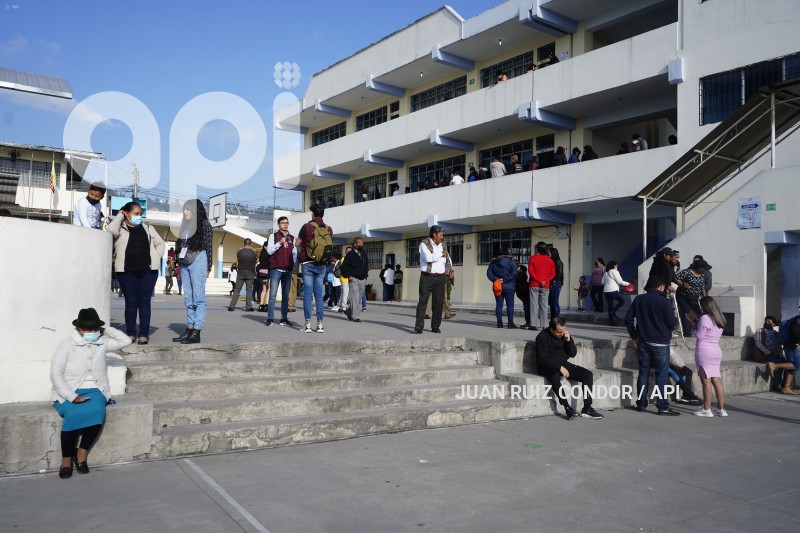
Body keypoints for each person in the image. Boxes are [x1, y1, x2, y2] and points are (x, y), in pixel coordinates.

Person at [50, 308, 132, 479]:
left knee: (97, 412)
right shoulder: (66, 344)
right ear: (79, 329)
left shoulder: (102, 342)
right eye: (87, 329)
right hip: (68, 390)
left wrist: (105, 329)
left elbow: (125, 340)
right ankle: (66, 459)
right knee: (72, 414)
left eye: (94, 329)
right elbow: (55, 374)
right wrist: (71, 396)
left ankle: (81, 452)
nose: (91, 332)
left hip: (95, 390)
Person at [106, 201, 165, 345]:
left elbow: (160, 243)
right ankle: (131, 333)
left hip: (148, 272)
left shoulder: (148, 227)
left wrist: (156, 257)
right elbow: (110, 230)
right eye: (136, 214)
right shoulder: (120, 228)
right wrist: (119, 216)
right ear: (126, 213)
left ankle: (144, 333)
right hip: (126, 272)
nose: (140, 216)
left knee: (145, 303)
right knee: (131, 303)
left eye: (141, 214)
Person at [624, 276, 680, 416]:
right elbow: (672, 323)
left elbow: (628, 319)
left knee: (644, 372)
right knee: (661, 375)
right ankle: (662, 406)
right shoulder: (664, 301)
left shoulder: (639, 299)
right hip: (661, 342)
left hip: (643, 341)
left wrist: (634, 336)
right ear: (661, 287)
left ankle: (641, 403)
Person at [535, 317, 603, 420]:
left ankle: (587, 408)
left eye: (563, 331)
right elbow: (542, 358)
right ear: (552, 330)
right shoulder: (542, 337)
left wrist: (568, 340)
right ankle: (567, 407)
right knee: (554, 375)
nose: (561, 334)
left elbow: (572, 353)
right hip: (547, 366)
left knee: (587, 375)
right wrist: (559, 367)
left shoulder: (564, 335)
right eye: (559, 332)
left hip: (563, 364)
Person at [173, 199, 213, 345]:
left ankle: (197, 331)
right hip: (185, 262)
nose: (185, 212)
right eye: (184, 209)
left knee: (199, 297)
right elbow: (181, 244)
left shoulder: (204, 225)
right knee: (188, 298)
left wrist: (209, 266)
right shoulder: (185, 225)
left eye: (188, 209)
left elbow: (209, 246)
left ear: (196, 211)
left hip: (199, 259)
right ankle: (189, 329)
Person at [297, 202, 333, 333]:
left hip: (308, 263)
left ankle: (307, 324)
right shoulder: (329, 229)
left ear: (313, 214)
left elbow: (297, 243)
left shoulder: (307, 227)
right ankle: (320, 324)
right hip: (322, 264)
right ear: (322, 214)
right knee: (319, 295)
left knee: (307, 294)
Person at [693, 296, 727, 417]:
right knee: (716, 380)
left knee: (706, 381)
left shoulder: (704, 317)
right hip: (716, 349)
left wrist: (694, 327)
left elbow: (699, 336)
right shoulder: (720, 318)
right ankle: (721, 408)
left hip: (704, 350)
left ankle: (707, 409)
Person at [414, 225, 448, 334]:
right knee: (423, 302)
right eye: (440, 235)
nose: (442, 237)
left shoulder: (443, 244)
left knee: (438, 303)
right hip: (427, 277)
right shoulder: (424, 244)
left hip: (440, 278)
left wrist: (451, 269)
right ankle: (419, 326)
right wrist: (440, 254)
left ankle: (435, 327)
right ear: (434, 235)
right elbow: (428, 258)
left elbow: (447, 257)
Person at [265, 216, 297, 327]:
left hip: (287, 270)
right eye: (283, 223)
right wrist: (279, 243)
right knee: (273, 295)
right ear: (278, 224)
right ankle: (270, 318)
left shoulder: (292, 238)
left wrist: (292, 264)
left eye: (287, 223)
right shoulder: (273, 236)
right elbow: (269, 251)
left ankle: (284, 318)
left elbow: (294, 253)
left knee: (286, 296)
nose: (285, 224)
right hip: (276, 269)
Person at [755, 316, 797, 393]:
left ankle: (784, 386)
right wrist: (769, 353)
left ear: (773, 324)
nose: (766, 323)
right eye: (766, 321)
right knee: (781, 364)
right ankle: (777, 386)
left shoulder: (776, 333)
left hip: (776, 354)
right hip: (765, 354)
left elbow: (779, 346)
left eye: (769, 321)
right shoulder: (760, 331)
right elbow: (758, 344)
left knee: (788, 364)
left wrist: (781, 354)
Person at [675, 259, 711, 335]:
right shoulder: (687, 272)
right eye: (704, 268)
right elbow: (675, 278)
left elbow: (703, 287)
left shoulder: (702, 275)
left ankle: (698, 329)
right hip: (683, 296)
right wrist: (682, 284)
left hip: (694, 297)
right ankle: (687, 332)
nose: (705, 270)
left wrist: (705, 299)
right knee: (688, 312)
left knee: (699, 313)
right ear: (699, 268)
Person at [487, 247, 518, 329]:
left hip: (497, 286)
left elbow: (489, 274)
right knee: (510, 305)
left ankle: (499, 323)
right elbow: (514, 273)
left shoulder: (493, 263)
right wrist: (505, 279)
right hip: (509, 286)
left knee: (499, 305)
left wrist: (496, 279)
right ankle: (510, 323)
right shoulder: (511, 262)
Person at [528, 243, 555, 331]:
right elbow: (552, 274)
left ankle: (534, 325)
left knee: (534, 305)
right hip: (545, 285)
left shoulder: (532, 258)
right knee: (544, 305)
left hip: (534, 284)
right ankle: (544, 325)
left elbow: (531, 271)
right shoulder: (550, 260)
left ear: (537, 249)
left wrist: (539, 281)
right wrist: (545, 281)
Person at [342, 237, 369, 323]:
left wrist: (366, 277)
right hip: (353, 278)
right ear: (355, 244)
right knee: (354, 297)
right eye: (360, 243)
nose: (361, 245)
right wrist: (349, 276)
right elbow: (344, 266)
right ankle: (355, 316)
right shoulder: (350, 255)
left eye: (362, 243)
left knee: (358, 298)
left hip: (362, 279)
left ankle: (349, 311)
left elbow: (366, 266)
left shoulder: (364, 254)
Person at [227, 238, 257, 312]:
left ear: (243, 243)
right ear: (251, 244)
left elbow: (238, 254)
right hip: (250, 272)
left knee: (237, 289)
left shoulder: (239, 251)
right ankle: (248, 307)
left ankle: (232, 306)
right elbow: (256, 260)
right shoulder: (254, 252)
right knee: (249, 290)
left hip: (241, 272)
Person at [602, 260, 630, 326]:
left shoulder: (606, 273)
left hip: (606, 291)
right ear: (614, 265)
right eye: (616, 265)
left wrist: (608, 282)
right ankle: (613, 311)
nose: (617, 266)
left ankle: (611, 322)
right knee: (622, 301)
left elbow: (602, 282)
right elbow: (620, 281)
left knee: (610, 306)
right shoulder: (615, 271)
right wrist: (628, 284)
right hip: (613, 290)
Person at [779, 311, 800, 394]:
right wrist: (798, 342)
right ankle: (774, 365)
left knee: (793, 365)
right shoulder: (798, 320)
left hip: (791, 345)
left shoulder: (795, 319)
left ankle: (787, 387)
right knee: (796, 365)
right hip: (793, 346)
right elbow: (795, 331)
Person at [548, 247, 564, 319]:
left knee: (555, 301)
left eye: (550, 253)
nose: (549, 254)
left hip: (556, 283)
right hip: (552, 282)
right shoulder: (551, 261)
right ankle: (553, 318)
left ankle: (557, 319)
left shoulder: (558, 262)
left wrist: (553, 280)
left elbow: (559, 274)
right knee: (551, 302)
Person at [338, 246, 352, 312]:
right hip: (344, 278)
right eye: (348, 251)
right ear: (345, 251)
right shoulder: (344, 259)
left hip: (346, 278)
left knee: (343, 293)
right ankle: (344, 306)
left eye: (350, 251)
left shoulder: (349, 258)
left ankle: (340, 306)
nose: (349, 252)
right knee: (345, 293)